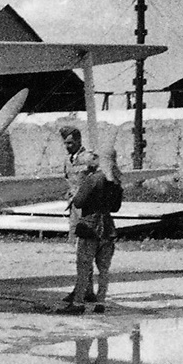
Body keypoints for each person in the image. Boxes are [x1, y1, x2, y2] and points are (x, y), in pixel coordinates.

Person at [58, 149, 120, 314]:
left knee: (84, 267)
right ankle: (101, 302)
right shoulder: (116, 181)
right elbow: (116, 207)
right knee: (104, 269)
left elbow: (78, 203)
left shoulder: (92, 179)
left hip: (90, 227)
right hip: (108, 228)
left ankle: (78, 303)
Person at [60, 126, 96, 302]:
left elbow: (102, 178)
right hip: (75, 210)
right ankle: (85, 288)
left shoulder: (89, 158)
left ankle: (83, 290)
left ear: (79, 141)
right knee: (79, 250)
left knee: (85, 250)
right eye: (65, 143)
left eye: (71, 143)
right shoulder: (68, 160)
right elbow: (69, 182)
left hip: (88, 210)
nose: (67, 146)